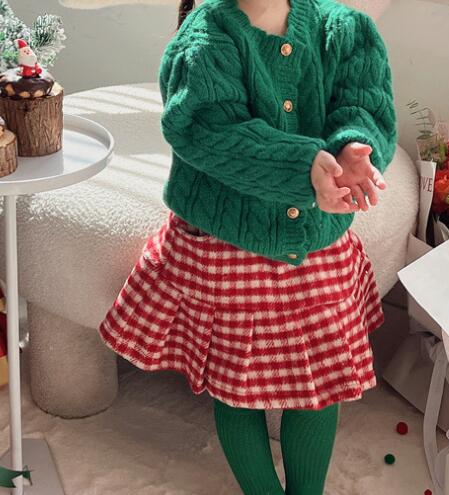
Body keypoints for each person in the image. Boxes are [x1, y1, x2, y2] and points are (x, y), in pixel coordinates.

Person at [98, 0, 397, 493]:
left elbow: (365, 106)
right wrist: (302, 167)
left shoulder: (346, 31)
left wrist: (352, 150)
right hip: (224, 243)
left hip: (317, 239)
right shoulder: (205, 37)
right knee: (236, 390)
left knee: (321, 389)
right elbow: (207, 129)